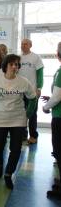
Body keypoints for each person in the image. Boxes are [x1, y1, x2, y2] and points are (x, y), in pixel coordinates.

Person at [0, 54, 36, 189]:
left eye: (17, 64)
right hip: (0, 118)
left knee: (16, 149)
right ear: (6, 65)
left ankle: (8, 174)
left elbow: (33, 98)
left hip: (18, 118)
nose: (14, 67)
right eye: (12, 64)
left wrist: (28, 113)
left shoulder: (23, 81)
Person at [42, 42, 61, 199]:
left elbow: (58, 96)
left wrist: (46, 107)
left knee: (59, 150)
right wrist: (52, 98)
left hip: (59, 117)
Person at [18, 39, 44, 144]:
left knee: (32, 114)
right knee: (21, 113)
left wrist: (39, 88)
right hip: (20, 91)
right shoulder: (18, 58)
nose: (23, 46)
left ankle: (33, 136)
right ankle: (23, 135)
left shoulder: (36, 57)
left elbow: (40, 74)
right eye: (22, 44)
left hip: (32, 91)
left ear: (30, 45)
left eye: (25, 44)